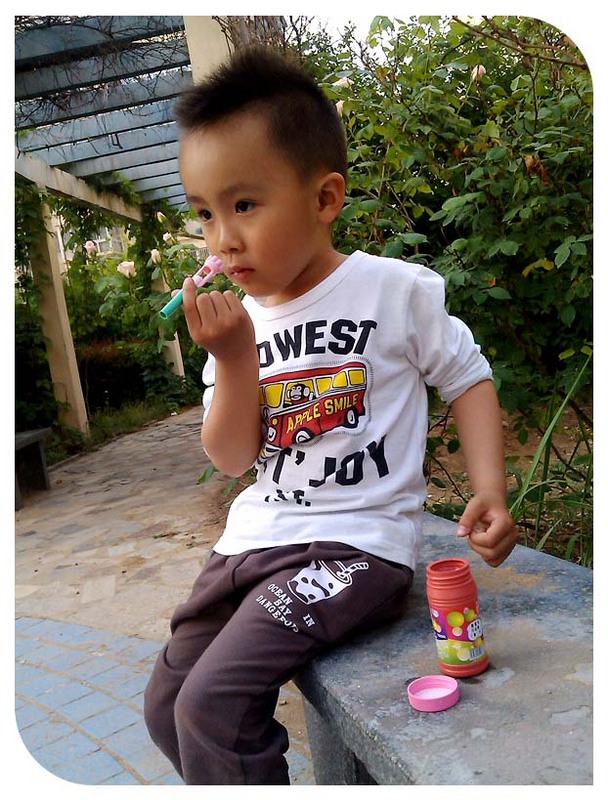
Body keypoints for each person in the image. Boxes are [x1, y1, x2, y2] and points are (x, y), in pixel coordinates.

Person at [143, 45, 517, 785]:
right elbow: (231, 459)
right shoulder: (240, 325)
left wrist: (491, 490)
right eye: (205, 213)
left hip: (354, 546)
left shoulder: (394, 292)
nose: (222, 239)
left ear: (324, 199)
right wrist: (235, 359)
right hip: (253, 542)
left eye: (244, 205)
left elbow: (469, 378)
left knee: (211, 707)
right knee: (166, 705)